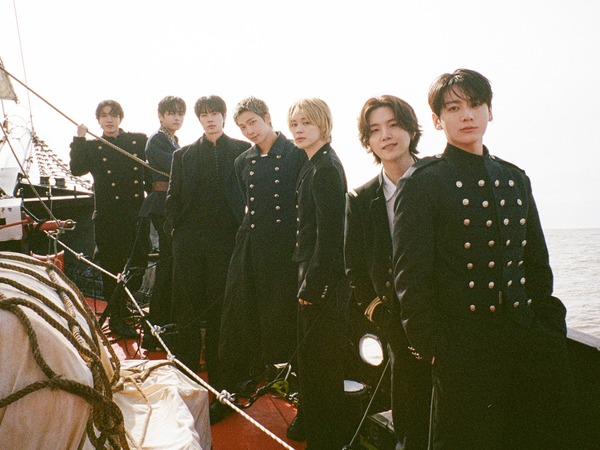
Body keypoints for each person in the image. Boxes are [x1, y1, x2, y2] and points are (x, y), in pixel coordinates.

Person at [392, 68, 574, 449]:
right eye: (454, 108)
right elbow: (411, 279)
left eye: (476, 105)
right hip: (462, 351)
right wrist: (436, 349)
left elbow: (536, 264)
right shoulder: (423, 182)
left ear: (490, 110)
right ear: (437, 120)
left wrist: (548, 325)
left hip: (525, 342)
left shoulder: (514, 178)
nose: (467, 116)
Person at [344, 95, 431, 449]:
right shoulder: (360, 198)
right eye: (375, 130)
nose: (386, 135)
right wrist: (384, 318)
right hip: (398, 325)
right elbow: (355, 270)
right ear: (367, 140)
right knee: (410, 417)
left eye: (394, 125)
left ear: (411, 129)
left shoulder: (439, 180)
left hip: (447, 320)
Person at [214, 97, 307, 424]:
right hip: (251, 246)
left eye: (253, 122)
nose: (249, 131)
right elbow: (243, 203)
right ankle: (232, 387)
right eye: (242, 127)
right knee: (236, 316)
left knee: (288, 321)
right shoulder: (243, 161)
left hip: (286, 250)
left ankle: (303, 400)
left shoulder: (296, 153)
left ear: (267, 117)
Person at [165, 95, 250, 383]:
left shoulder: (243, 151)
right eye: (204, 114)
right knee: (186, 311)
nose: (210, 119)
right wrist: (175, 233)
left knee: (221, 312)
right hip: (189, 242)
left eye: (215, 113)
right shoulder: (183, 156)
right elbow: (173, 200)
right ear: (199, 119)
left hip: (226, 242)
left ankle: (222, 380)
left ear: (224, 117)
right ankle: (186, 376)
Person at [289, 98, 352, 449]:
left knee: (322, 362)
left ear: (323, 125)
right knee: (311, 359)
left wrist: (313, 285)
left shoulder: (326, 168)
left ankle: (326, 439)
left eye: (307, 123)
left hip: (322, 280)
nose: (299, 129)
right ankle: (314, 427)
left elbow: (330, 235)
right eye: (295, 123)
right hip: (310, 271)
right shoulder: (312, 163)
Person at [70, 99, 147, 339]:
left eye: (113, 114)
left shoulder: (138, 141)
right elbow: (77, 169)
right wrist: (79, 139)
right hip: (108, 217)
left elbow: (151, 170)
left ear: (120, 117)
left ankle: (124, 306)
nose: (109, 119)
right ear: (99, 120)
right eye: (104, 115)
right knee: (112, 268)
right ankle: (117, 318)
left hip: (135, 214)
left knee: (138, 264)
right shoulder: (93, 147)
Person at [139, 96, 186, 351]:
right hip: (161, 205)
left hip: (169, 205)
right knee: (168, 266)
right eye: (171, 113)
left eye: (180, 113)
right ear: (161, 116)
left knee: (172, 264)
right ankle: (155, 328)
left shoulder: (173, 140)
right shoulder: (156, 140)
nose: (177, 118)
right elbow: (176, 164)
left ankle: (164, 325)